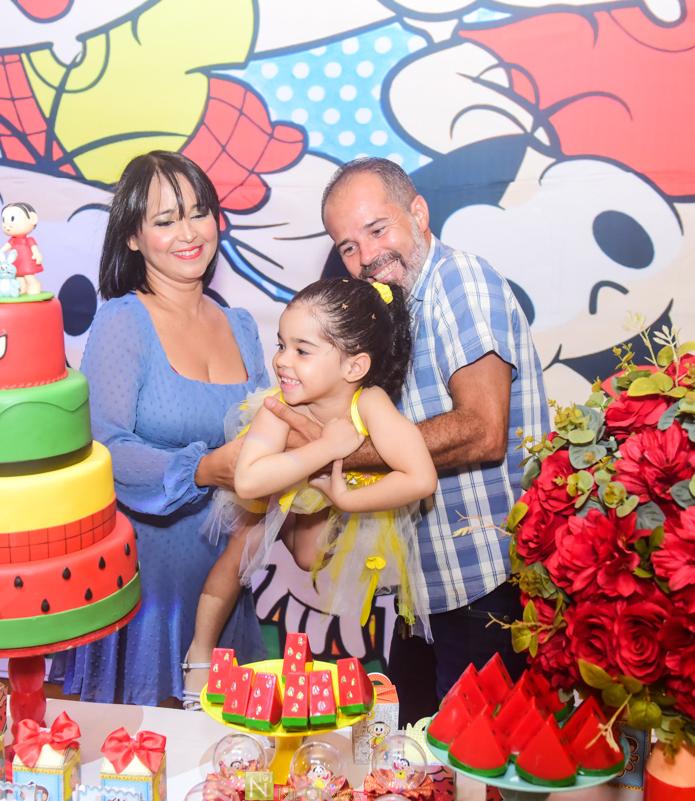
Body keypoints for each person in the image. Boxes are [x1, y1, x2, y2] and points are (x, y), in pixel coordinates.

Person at [271, 157, 549, 723]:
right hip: (422, 592)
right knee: (418, 763)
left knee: (478, 769)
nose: (367, 255)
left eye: (377, 229)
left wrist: (330, 454)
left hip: (486, 585)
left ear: (418, 213)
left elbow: (483, 429)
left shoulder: (457, 282)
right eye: (347, 246)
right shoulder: (388, 313)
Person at [52, 151, 266, 706]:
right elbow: (103, 448)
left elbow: (273, 433)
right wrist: (201, 468)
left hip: (225, 579)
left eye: (198, 212)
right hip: (148, 587)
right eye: (165, 220)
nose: (189, 233)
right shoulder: (124, 319)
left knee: (228, 769)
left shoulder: (242, 327)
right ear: (132, 238)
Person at [182, 278, 438, 706]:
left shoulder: (370, 401)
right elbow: (248, 480)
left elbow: (420, 477)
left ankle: (349, 686)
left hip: (332, 491)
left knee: (309, 558)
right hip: (280, 483)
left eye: (301, 350)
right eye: (281, 345)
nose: (282, 361)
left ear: (353, 367)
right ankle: (200, 654)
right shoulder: (282, 404)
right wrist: (327, 447)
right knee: (241, 546)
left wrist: (345, 498)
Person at [0, 202, 44, 295]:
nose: (7, 224)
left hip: (27, 261)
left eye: (12, 219)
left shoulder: (29, 240)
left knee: (28, 275)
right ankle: (21, 289)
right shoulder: (12, 240)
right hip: (16, 261)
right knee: (18, 276)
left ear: (32, 219)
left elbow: (34, 249)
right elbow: (3, 249)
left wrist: (37, 254)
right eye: (4, 220)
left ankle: (34, 286)